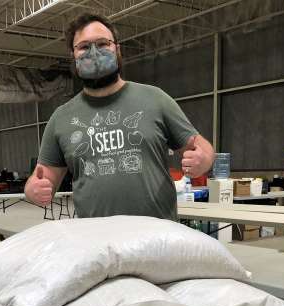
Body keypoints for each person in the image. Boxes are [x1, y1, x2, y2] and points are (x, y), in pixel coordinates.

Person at [25, 13, 215, 220]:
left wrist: (203, 158)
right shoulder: (61, 118)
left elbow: (199, 146)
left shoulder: (155, 99)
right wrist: (33, 189)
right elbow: (42, 177)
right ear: (73, 55)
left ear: (117, 48)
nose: (94, 52)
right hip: (96, 241)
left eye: (102, 43)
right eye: (84, 47)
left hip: (155, 238)